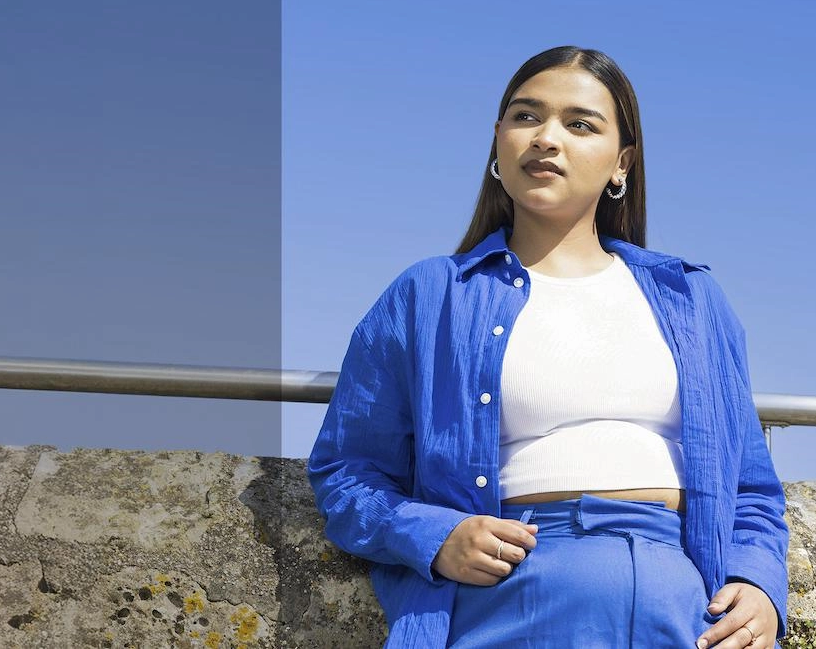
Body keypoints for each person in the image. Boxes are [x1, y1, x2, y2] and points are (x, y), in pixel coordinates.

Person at [305, 45, 790, 648]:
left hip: (686, 608)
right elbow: (347, 471)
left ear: (622, 163)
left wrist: (758, 582)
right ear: (498, 141)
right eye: (526, 117)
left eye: (580, 124)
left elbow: (750, 485)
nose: (546, 138)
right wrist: (433, 536)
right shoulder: (429, 295)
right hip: (510, 599)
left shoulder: (692, 298)